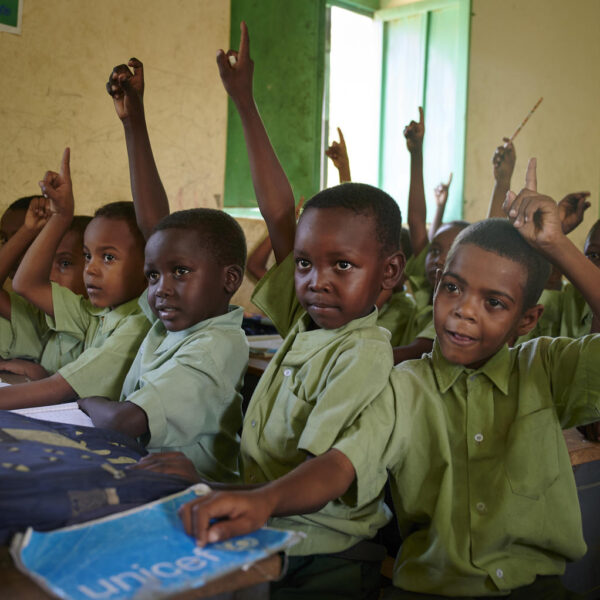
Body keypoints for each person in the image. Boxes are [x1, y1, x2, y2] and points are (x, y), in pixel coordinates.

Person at [140, 22, 403, 600]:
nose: (315, 281)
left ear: (389, 274)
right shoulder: (307, 323)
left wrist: (240, 494)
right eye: (305, 264)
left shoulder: (362, 351)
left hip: (327, 553)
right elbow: (281, 215)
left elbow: (327, 470)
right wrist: (243, 101)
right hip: (273, 525)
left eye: (343, 266)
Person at [381, 159, 600, 598]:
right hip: (433, 587)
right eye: (453, 287)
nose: (464, 310)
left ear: (528, 319)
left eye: (495, 303)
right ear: (437, 282)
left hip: (535, 587)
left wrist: (558, 246)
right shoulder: (403, 384)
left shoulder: (545, 368)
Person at [0, 149, 150, 409]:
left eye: (109, 258)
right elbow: (24, 284)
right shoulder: (94, 314)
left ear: (149, 265)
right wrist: (61, 216)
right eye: (87, 256)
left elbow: (59, 389)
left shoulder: (137, 324)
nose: (90, 269)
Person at [0, 195, 92, 380]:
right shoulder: (40, 313)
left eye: (64, 263)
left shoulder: (91, 317)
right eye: (4, 239)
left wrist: (40, 376)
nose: (49, 274)